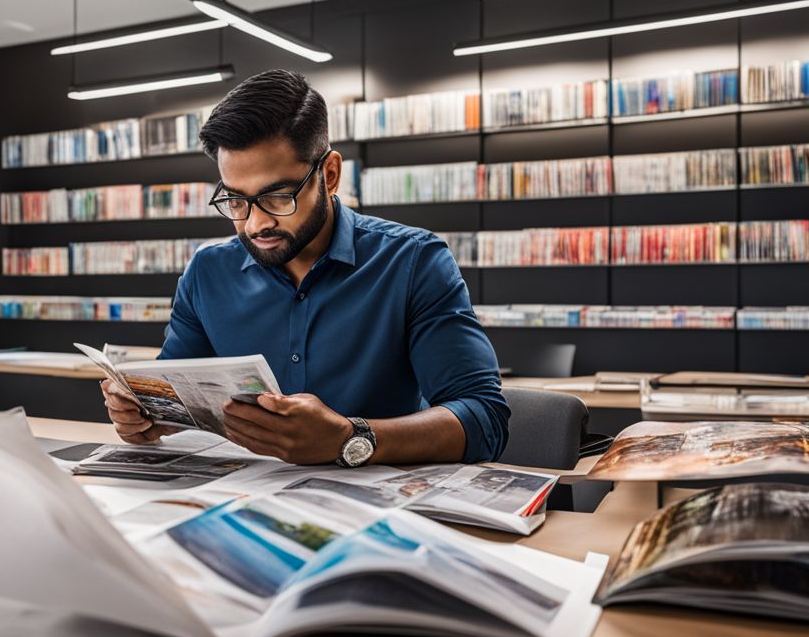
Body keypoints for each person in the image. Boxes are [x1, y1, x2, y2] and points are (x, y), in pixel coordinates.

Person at [101, 69, 508, 467]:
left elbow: (485, 418)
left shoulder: (414, 261)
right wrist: (143, 415)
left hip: (377, 506)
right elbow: (172, 401)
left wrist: (350, 438)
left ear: (329, 175)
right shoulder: (207, 272)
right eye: (235, 200)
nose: (255, 224)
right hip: (242, 497)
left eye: (277, 197)